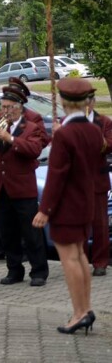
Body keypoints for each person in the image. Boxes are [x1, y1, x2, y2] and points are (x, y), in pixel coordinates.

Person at [33, 77, 102, 335]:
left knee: (69, 259)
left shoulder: (64, 135)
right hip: (86, 203)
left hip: (66, 206)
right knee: (81, 256)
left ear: (63, 101)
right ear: (85, 102)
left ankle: (79, 313)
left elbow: (57, 175)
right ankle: (87, 308)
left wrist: (45, 210)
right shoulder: (94, 130)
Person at [0, 76, 50, 262]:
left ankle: (38, 270)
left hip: (22, 184)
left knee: (30, 231)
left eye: (6, 107)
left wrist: (10, 139)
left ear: (18, 107)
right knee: (7, 231)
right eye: (1, 107)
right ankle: (13, 270)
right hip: (1, 186)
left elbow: (36, 147)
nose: (2, 111)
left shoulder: (32, 124)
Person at [85, 90, 112, 276]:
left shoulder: (104, 122)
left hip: (97, 180)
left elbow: (109, 144)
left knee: (100, 224)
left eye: (88, 101)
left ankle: (100, 262)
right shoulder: (68, 122)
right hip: (76, 182)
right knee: (78, 224)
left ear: (93, 103)